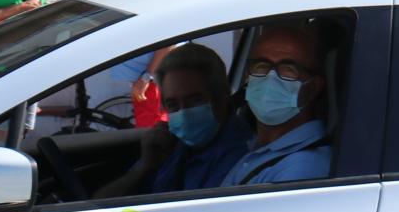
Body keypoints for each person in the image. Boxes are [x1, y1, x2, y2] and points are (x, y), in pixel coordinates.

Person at [99, 43, 248, 199]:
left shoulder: (239, 158)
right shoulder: (171, 144)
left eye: (195, 100)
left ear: (221, 97)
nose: (183, 113)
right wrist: (144, 167)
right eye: (172, 104)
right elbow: (101, 203)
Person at [221, 21, 333, 186]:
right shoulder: (259, 148)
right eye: (261, 66)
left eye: (288, 69)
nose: (270, 78)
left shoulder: (303, 167)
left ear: (314, 87)